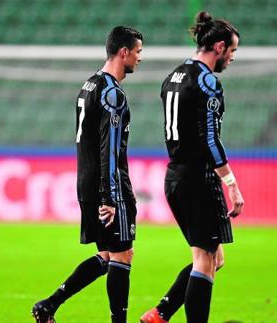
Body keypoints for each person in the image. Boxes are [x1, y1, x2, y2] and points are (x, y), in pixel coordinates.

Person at [32, 26, 143, 323]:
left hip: (87, 180)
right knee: (122, 256)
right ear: (124, 52)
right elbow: (109, 148)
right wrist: (110, 196)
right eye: (138, 52)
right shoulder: (112, 94)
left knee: (108, 256)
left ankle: (49, 305)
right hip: (108, 186)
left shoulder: (89, 85)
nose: (139, 58)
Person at [140, 11, 244, 323]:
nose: (232, 59)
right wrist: (232, 184)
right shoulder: (207, 82)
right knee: (204, 258)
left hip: (174, 176)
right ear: (220, 47)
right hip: (198, 177)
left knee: (212, 257)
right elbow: (211, 139)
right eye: (233, 52)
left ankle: (159, 314)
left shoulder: (172, 77)